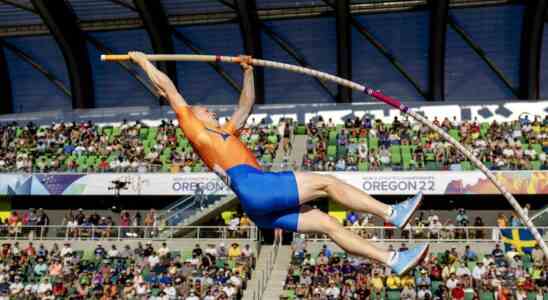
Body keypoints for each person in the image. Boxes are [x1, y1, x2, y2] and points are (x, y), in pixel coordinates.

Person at [129, 51, 428, 275]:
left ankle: (393, 260)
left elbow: (245, 107)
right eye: (204, 109)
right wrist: (143, 62)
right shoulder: (195, 130)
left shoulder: (224, 133)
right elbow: (169, 89)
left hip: (258, 206)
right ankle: (392, 212)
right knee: (327, 182)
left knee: (328, 224)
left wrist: (247, 72)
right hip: (257, 186)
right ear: (195, 116)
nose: (208, 109)